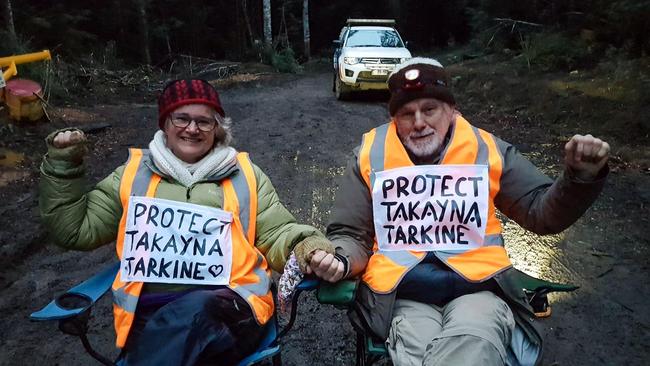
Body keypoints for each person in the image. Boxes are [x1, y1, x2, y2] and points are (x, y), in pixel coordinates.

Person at [305, 58, 610, 366]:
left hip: (479, 291)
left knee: (473, 340)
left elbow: (540, 212)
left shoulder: (487, 149)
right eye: (407, 114)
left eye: (430, 109)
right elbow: (350, 233)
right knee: (418, 348)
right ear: (394, 118)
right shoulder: (371, 154)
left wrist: (579, 178)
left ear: (451, 110)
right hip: (403, 296)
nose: (419, 122)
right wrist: (341, 260)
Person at [39, 79, 334, 365]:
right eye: (181, 118)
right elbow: (73, 231)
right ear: (165, 124)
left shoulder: (245, 174)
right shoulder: (133, 175)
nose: (192, 128)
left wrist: (306, 244)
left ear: (217, 128)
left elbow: (278, 229)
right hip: (149, 319)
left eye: (204, 121)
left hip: (233, 311)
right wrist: (64, 166)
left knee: (197, 309)